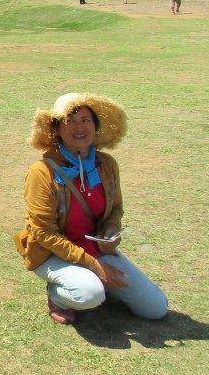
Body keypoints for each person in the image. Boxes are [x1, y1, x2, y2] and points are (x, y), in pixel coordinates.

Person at [14, 93, 167, 325]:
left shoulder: (106, 164)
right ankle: (58, 295)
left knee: (155, 308)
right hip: (52, 254)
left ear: (95, 126)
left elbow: (115, 207)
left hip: (96, 248)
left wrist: (110, 230)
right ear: (56, 129)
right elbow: (43, 234)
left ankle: (97, 281)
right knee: (89, 294)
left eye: (86, 120)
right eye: (70, 121)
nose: (79, 127)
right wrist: (95, 266)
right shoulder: (42, 172)